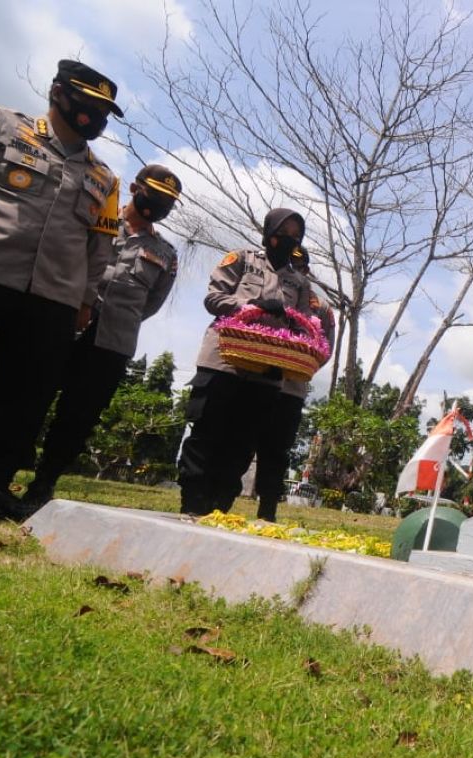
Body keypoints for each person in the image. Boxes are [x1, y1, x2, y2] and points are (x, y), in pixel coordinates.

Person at [0, 60, 122, 519]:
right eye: (88, 104)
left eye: (103, 111)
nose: (93, 117)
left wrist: (84, 301)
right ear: (58, 92)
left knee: (26, 397)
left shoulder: (105, 178)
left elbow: (100, 249)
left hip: (53, 299)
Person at [21, 165, 182, 509]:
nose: (160, 205)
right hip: (63, 319)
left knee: (79, 415)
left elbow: (152, 303)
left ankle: (44, 483)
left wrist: (116, 315)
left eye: (168, 202)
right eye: (155, 195)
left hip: (112, 342)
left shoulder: (166, 253)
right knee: (28, 395)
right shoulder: (97, 217)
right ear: (136, 188)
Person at [178, 208, 313, 516]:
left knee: (243, 443)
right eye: (284, 231)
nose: (289, 238)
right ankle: (192, 502)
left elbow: (304, 324)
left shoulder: (299, 284)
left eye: (296, 234)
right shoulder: (241, 259)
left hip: (267, 371)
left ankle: (220, 506)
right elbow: (214, 299)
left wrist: (291, 322)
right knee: (207, 431)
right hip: (224, 360)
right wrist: (251, 305)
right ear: (269, 232)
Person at [246, 246, 335, 522]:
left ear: (307, 270)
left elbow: (325, 348)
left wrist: (301, 367)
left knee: (277, 449)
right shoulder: (270, 290)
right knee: (242, 440)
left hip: (290, 388)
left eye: (300, 267)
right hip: (256, 378)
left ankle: (268, 509)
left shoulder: (323, 309)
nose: (294, 271)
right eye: (291, 265)